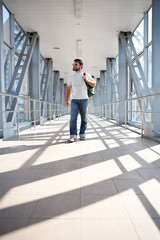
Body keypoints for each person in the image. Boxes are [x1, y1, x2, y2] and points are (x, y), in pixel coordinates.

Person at [66, 59, 96, 143]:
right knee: (73, 118)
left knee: (84, 118)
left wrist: (86, 80)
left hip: (84, 99)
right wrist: (67, 100)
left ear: (80, 66)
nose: (74, 65)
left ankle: (82, 134)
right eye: (73, 64)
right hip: (74, 100)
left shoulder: (86, 74)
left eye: (76, 64)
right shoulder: (71, 77)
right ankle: (72, 136)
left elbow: (94, 84)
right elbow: (68, 89)